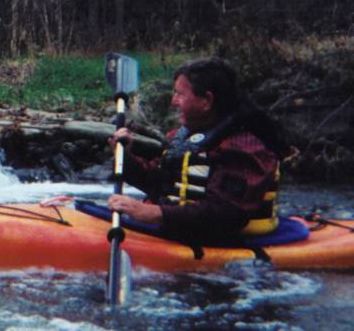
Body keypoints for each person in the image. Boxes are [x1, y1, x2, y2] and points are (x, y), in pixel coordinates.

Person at [106, 57, 287, 244]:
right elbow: (162, 183)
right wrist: (125, 158)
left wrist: (151, 213)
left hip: (230, 242)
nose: (173, 101)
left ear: (206, 100)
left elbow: (225, 213)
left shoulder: (245, 147)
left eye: (180, 94)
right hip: (182, 230)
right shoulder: (184, 136)